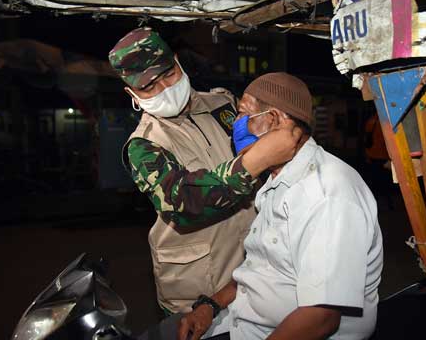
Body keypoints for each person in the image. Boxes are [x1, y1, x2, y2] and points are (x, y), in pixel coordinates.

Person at [172, 72, 383, 340]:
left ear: (274, 120)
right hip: (240, 323)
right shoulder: (275, 180)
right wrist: (210, 305)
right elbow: (261, 268)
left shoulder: (327, 194)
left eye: (242, 114)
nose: (235, 125)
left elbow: (321, 318)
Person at [109, 28, 301, 315]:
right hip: (197, 286)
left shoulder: (222, 104)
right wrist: (254, 162)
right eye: (149, 87)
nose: (164, 89)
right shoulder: (144, 144)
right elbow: (183, 202)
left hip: (254, 269)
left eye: (168, 75)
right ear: (132, 92)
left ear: (178, 62)